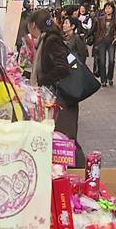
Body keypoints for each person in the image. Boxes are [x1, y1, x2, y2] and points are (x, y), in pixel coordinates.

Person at [27, 9, 87, 167]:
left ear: (34, 25)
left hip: (64, 98)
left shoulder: (50, 40)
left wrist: (42, 80)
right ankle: (78, 174)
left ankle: (84, 173)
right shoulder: (46, 40)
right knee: (63, 140)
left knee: (66, 140)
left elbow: (62, 68)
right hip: (60, 98)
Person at [95, 2, 116, 87]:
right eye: (106, 8)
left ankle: (110, 78)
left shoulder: (115, 20)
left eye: (109, 8)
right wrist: (97, 43)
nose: (108, 10)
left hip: (111, 42)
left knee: (111, 60)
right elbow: (98, 31)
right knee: (102, 61)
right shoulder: (100, 19)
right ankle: (103, 80)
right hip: (102, 41)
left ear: (112, 9)